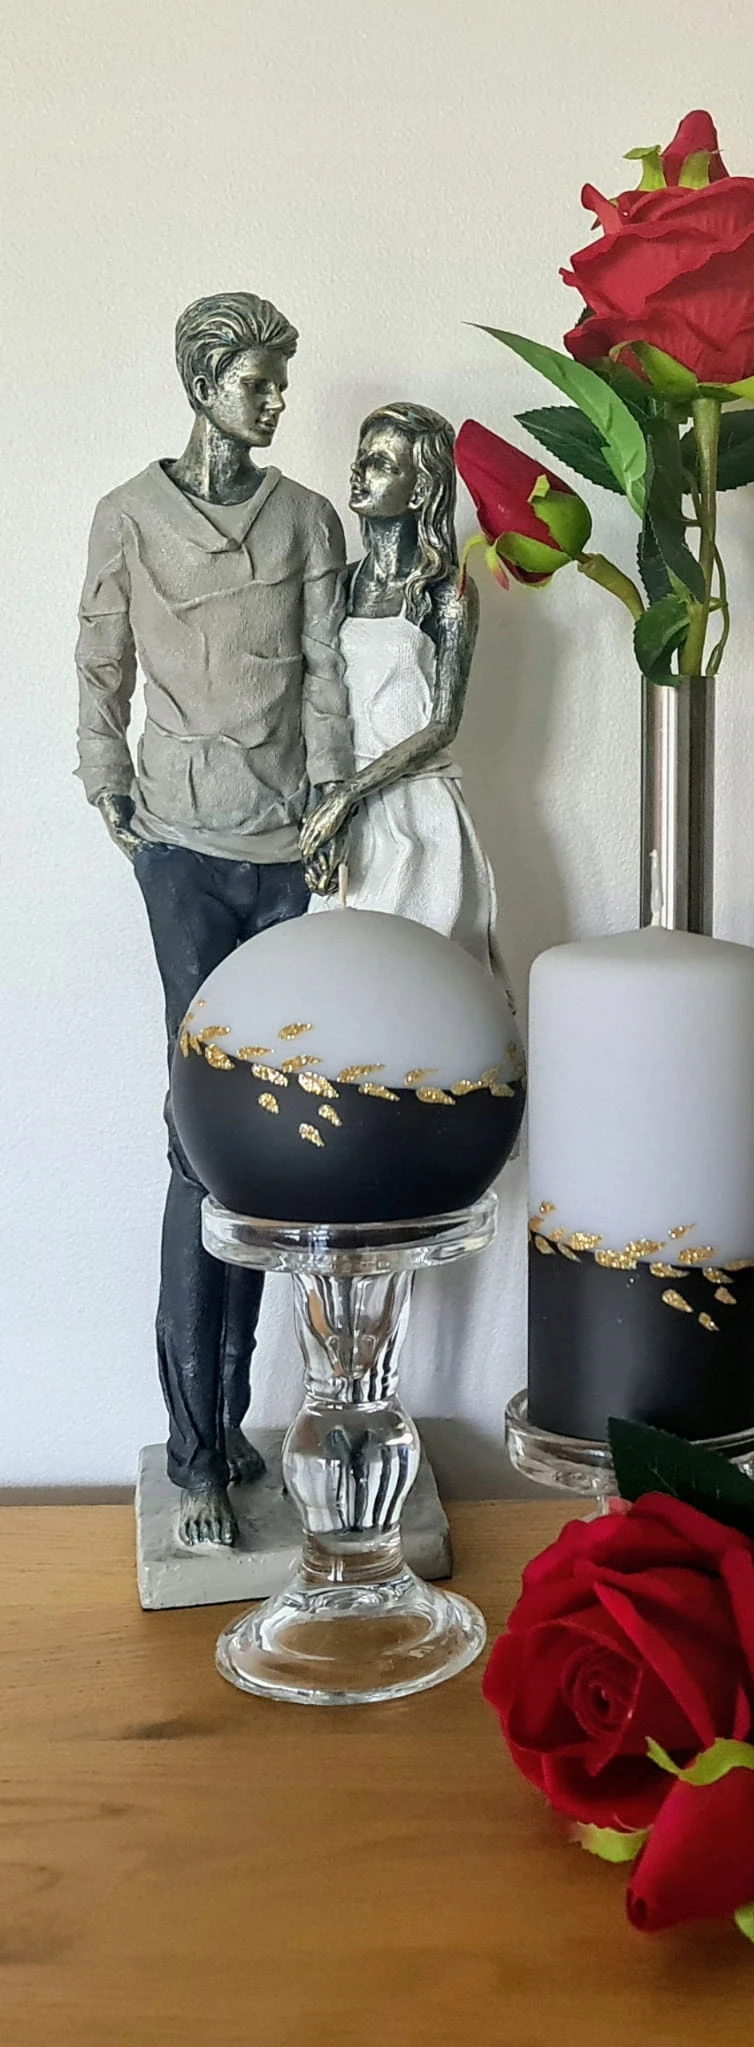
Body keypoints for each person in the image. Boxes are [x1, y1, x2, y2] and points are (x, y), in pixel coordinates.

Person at [76, 291, 351, 1551]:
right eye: (254, 380)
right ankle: (195, 1456)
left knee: (266, 1145)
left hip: (285, 854)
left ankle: (238, 1431)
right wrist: (107, 784)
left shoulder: (308, 520)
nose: (275, 399)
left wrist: (333, 798)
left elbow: (327, 671)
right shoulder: (129, 517)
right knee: (198, 1140)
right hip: (181, 854)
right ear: (201, 384)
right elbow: (100, 665)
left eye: (281, 379)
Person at [302, 403, 505, 977]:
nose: (358, 472)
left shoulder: (449, 594)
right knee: (338, 978)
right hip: (346, 810)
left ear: (421, 489)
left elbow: (443, 723)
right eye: (361, 458)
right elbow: (318, 700)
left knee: (419, 976)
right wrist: (328, 803)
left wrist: (347, 796)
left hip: (417, 809)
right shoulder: (339, 585)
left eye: (380, 463)